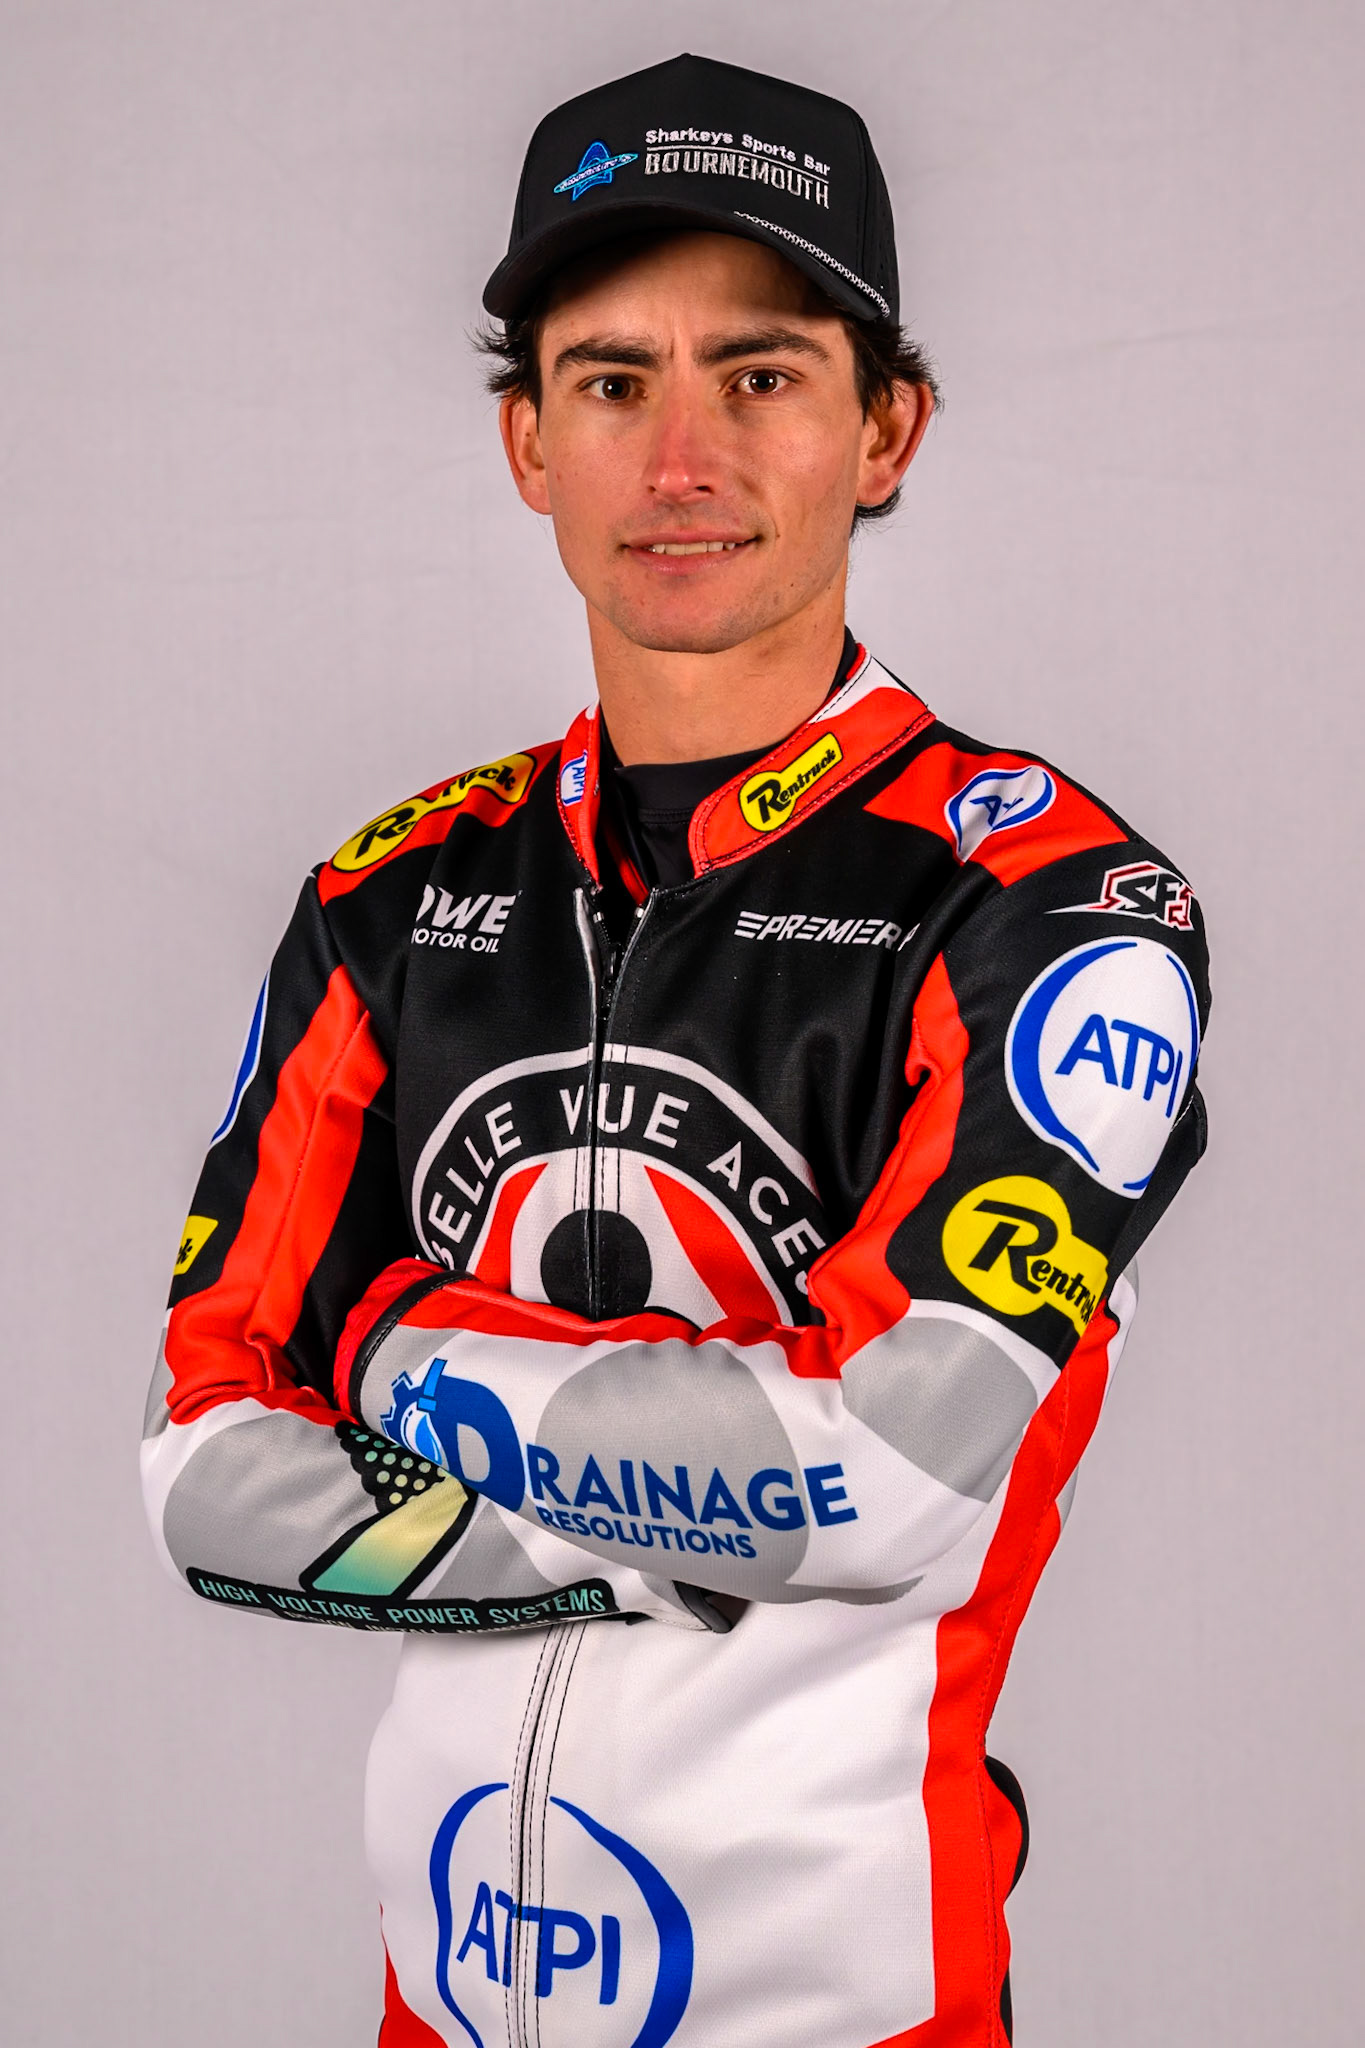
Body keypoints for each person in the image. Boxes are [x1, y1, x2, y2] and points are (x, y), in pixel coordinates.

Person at [141, 50, 1210, 2048]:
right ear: (524, 441)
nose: (683, 455)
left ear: (885, 429)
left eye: (763, 373)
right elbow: (199, 1473)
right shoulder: (389, 901)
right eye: (612, 379)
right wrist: (678, 1501)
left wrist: (396, 1351)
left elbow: (879, 1476)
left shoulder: (1049, 911)